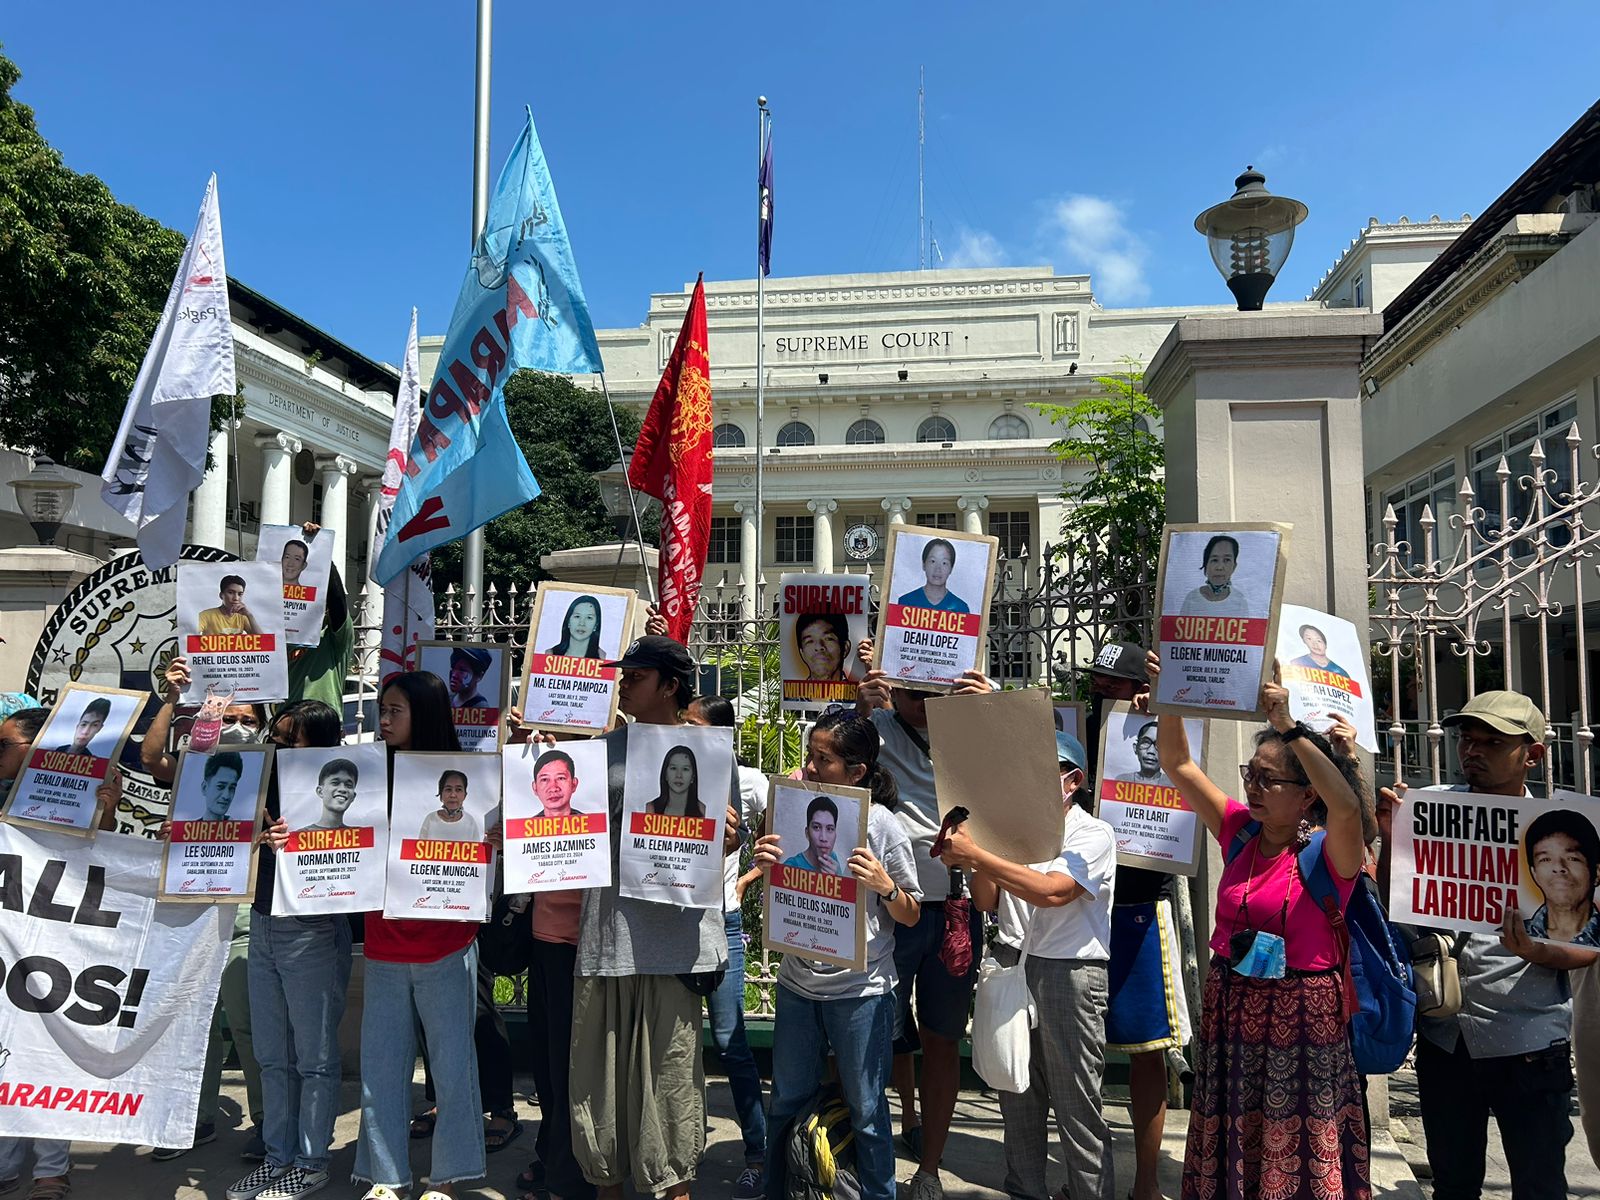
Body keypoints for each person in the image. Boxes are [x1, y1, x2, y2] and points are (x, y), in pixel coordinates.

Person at [1153, 658, 1370, 1199]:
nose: (1252, 787)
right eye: (1250, 775)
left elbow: (1346, 805)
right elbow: (1178, 763)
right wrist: (1170, 695)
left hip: (1299, 1018)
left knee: (1293, 1143)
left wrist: (1290, 726)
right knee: (1235, 1139)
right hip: (1234, 1008)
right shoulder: (1241, 833)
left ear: (1306, 794)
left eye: (1267, 780)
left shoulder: (1328, 850)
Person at [1406, 691, 1597, 1200]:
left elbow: (1589, 946)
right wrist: (1389, 837)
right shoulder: (1433, 809)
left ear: (1532, 754)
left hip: (1530, 1044)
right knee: (1454, 1181)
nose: (1473, 750)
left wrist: (1536, 951)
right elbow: (1401, 907)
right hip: (1446, 1037)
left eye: (1493, 742)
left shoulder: (1565, 835)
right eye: (1467, 739)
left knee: (1538, 1185)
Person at [568, 635, 737, 1200]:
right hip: (608, 938)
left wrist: (730, 839)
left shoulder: (713, 753)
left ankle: (674, 1188)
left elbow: (723, 843)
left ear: (669, 684)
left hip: (677, 945)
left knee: (671, 1087)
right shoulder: (601, 750)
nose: (624, 683)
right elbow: (551, 818)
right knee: (601, 1089)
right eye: (624, 674)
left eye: (636, 676)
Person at [939, 730, 1117, 1200]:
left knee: (1077, 1103)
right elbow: (985, 903)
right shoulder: (1008, 832)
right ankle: (1025, 1189)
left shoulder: (1092, 833)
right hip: (1011, 961)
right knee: (1016, 1093)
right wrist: (973, 856)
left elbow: (1054, 892)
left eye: (1042, 772)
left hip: (1069, 973)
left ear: (1072, 780)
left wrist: (978, 853)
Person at [755, 710, 922, 1200]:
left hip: (861, 993)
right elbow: (778, 895)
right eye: (810, 756)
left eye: (822, 760)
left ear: (856, 773)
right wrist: (766, 863)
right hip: (795, 985)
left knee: (868, 1108)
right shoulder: (791, 814)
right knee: (786, 1098)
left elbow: (911, 913)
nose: (808, 768)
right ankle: (780, 1189)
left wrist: (885, 886)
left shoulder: (884, 828)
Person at [855, 660, 993, 1200]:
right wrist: (861, 705)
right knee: (871, 1032)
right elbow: (826, 774)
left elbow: (1026, 766)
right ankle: (871, 1157)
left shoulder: (976, 726)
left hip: (956, 910)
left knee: (941, 1038)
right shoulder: (875, 726)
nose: (920, 699)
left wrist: (991, 703)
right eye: (910, 688)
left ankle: (929, 1167)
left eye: (932, 690)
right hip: (892, 906)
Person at [354, 670, 486, 1200]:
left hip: (446, 943)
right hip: (383, 941)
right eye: (381, 711)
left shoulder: (469, 781)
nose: (383, 721)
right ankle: (385, 1176)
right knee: (380, 1070)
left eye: (395, 711)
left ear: (425, 714)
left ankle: (449, 1177)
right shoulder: (367, 774)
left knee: (453, 1068)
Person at [226, 699, 354, 1200]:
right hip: (262, 921)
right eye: (274, 734)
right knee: (270, 1053)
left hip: (313, 928)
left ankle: (312, 1159)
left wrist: (303, 841)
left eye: (288, 738)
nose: (275, 744)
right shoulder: (257, 780)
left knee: (315, 1056)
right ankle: (277, 1155)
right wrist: (258, 836)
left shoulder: (343, 801)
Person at [143, 659, 267, 1162]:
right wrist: (171, 699)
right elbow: (152, 757)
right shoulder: (196, 767)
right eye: (229, 716)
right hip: (189, 911)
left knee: (248, 1024)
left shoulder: (269, 777)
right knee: (195, 1021)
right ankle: (194, 1120)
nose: (238, 726)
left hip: (242, 914)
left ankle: (266, 1123)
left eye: (250, 720)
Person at [1081, 642, 1188, 1200]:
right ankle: (1088, 1178)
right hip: (1078, 906)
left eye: (1112, 683)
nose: (1100, 690)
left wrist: (1165, 712)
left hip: (1141, 908)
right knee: (1076, 1052)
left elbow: (1190, 768)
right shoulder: (1076, 732)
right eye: (1094, 681)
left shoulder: (1164, 732)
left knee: (1149, 1051)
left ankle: (1145, 1183)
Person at [0, 700, 117, 1200]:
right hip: (6, 942)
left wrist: (105, 810)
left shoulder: (81, 791)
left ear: (36, 749)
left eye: (4, 745)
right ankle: (5, 1165)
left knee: (48, 1045)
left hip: (55, 942)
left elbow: (103, 858)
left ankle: (51, 1168)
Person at [684, 693, 770, 1200]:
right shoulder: (667, 768)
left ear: (721, 734)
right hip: (675, 920)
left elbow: (780, 838)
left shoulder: (752, 781)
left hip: (723, 920)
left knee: (730, 1042)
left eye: (694, 725)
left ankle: (757, 1152)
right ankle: (680, 1150)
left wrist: (746, 879)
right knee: (675, 1044)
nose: (684, 730)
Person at [1523, 809, 1600, 946]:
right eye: (1545, 859)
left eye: (1572, 858)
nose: (1558, 867)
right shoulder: (1512, 934)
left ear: (1597, 872)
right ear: (1534, 873)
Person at [1176, 534, 1253, 617]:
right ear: (1206, 564)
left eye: (1227, 560)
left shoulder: (1239, 601)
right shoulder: (1191, 598)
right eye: (1214, 560)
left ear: (1234, 566)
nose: (1219, 567)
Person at [896, 538, 970, 614]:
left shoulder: (961, 608)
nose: (938, 569)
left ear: (951, 568)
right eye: (933, 561)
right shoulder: (906, 602)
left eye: (944, 563)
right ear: (924, 565)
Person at [782, 795, 844, 875]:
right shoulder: (791, 866)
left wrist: (838, 879)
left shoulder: (832, 858)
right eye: (816, 827)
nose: (823, 838)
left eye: (829, 829)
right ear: (807, 833)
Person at [419, 769, 482, 842]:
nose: (453, 795)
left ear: (465, 795)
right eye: (448, 789)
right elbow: (419, 851)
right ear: (441, 793)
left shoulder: (470, 822)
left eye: (458, 790)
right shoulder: (430, 819)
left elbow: (476, 852)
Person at [645, 745, 706, 819]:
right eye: (673, 768)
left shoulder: (701, 810)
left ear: (693, 777)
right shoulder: (651, 809)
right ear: (665, 774)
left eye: (685, 769)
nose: (679, 775)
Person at [303, 757, 361, 831]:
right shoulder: (301, 836)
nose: (342, 789)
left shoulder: (358, 837)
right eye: (335, 783)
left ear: (353, 797)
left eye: (348, 785)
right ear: (320, 791)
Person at [192, 750, 248, 822]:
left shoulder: (240, 828)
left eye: (232, 788)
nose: (226, 796)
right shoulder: (187, 830)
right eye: (220, 786)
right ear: (204, 788)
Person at [200, 574, 265, 637]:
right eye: (230, 593)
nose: (236, 598)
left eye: (240, 594)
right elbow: (190, 635)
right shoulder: (205, 615)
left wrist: (249, 615)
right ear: (221, 595)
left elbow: (263, 641)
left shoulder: (242, 616)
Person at [795, 613, 851, 682]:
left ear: (845, 648)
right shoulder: (792, 692)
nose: (819, 647)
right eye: (810, 641)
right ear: (802, 653)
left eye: (828, 639)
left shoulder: (860, 689)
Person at [547, 594, 606, 659]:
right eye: (577, 616)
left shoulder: (602, 657)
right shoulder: (550, 655)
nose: (582, 623)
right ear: (568, 621)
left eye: (589, 618)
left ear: (596, 625)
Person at [530, 749, 582, 818]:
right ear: (535, 788)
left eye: (561, 778)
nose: (553, 788)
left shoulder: (591, 825)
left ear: (574, 784)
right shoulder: (525, 827)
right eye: (545, 779)